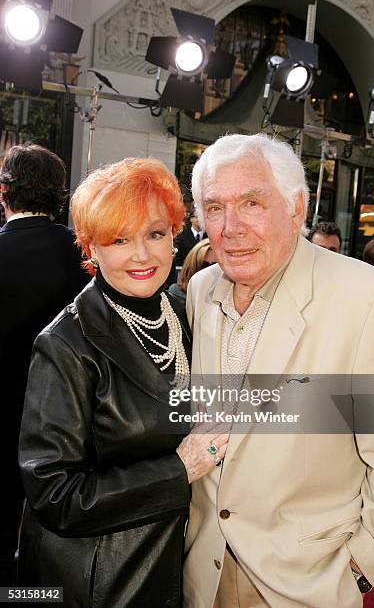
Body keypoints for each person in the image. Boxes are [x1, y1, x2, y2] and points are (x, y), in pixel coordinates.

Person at [183, 134, 374, 608]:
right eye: (214, 207)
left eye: (251, 202)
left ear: (296, 208)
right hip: (201, 573)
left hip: (305, 584)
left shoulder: (369, 299)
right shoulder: (201, 290)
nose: (230, 227)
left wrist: (358, 570)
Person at [18, 158, 229, 607]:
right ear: (90, 248)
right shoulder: (65, 344)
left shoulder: (182, 311)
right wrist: (180, 469)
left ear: (175, 235)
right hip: (102, 581)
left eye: (155, 233)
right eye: (118, 239)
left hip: (177, 565)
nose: (141, 254)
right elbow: (55, 495)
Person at [0, 143, 90, 585]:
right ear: (60, 197)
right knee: (49, 546)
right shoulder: (87, 258)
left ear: (3, 193)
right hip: (66, 425)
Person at [168, 238, 217, 305]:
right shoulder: (176, 294)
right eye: (203, 265)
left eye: (215, 266)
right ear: (192, 267)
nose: (208, 271)